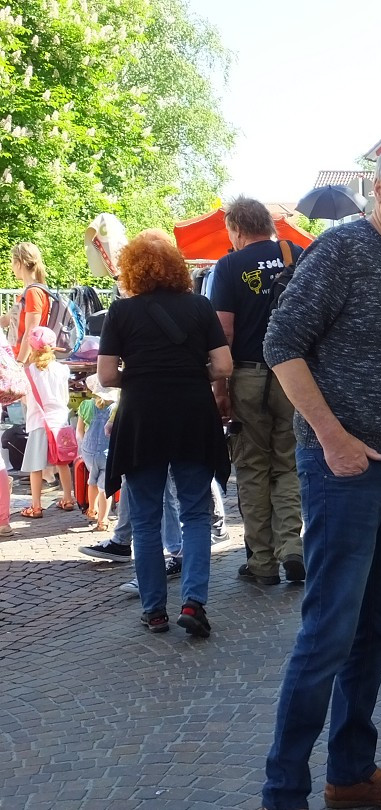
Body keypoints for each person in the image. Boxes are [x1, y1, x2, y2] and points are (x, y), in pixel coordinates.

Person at [259, 138, 381, 810]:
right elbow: (280, 343)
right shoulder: (341, 250)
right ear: (380, 186)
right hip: (344, 472)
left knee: (377, 630)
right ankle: (284, 790)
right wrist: (332, 437)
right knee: (328, 633)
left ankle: (350, 773)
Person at [98, 230, 232, 637]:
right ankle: (194, 603)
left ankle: (154, 610)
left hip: (142, 416)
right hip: (192, 412)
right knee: (194, 513)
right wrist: (191, 375)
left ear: (131, 270)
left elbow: (105, 374)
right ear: (177, 268)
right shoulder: (200, 306)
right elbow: (224, 366)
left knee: (145, 519)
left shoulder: (121, 312)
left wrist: (139, 375)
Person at [211, 196, 305, 587]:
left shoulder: (229, 265)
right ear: (268, 224)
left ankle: (262, 562)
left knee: (252, 468)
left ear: (235, 228)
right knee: (289, 463)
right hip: (295, 376)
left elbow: (224, 334)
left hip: (248, 376)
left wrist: (221, 389)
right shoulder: (297, 255)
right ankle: (292, 548)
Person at [19, 326, 75, 517]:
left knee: (36, 467)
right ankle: (68, 498)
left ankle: (36, 506)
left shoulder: (29, 372)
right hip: (59, 421)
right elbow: (65, 397)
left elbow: (26, 399)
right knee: (62, 463)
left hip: (38, 421)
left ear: (32, 348)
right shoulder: (62, 370)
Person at [77, 374, 118, 531]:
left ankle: (92, 509)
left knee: (91, 480)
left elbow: (79, 432)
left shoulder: (85, 405)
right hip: (108, 452)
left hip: (88, 450)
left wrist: (82, 448)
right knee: (105, 487)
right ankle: (103, 520)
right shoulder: (116, 408)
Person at [3, 243, 51, 364]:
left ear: (19, 264)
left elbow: (31, 332)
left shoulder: (33, 293)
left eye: (12, 263)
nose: (11, 267)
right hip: (20, 358)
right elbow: (5, 320)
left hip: (28, 361)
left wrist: (20, 364)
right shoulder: (26, 293)